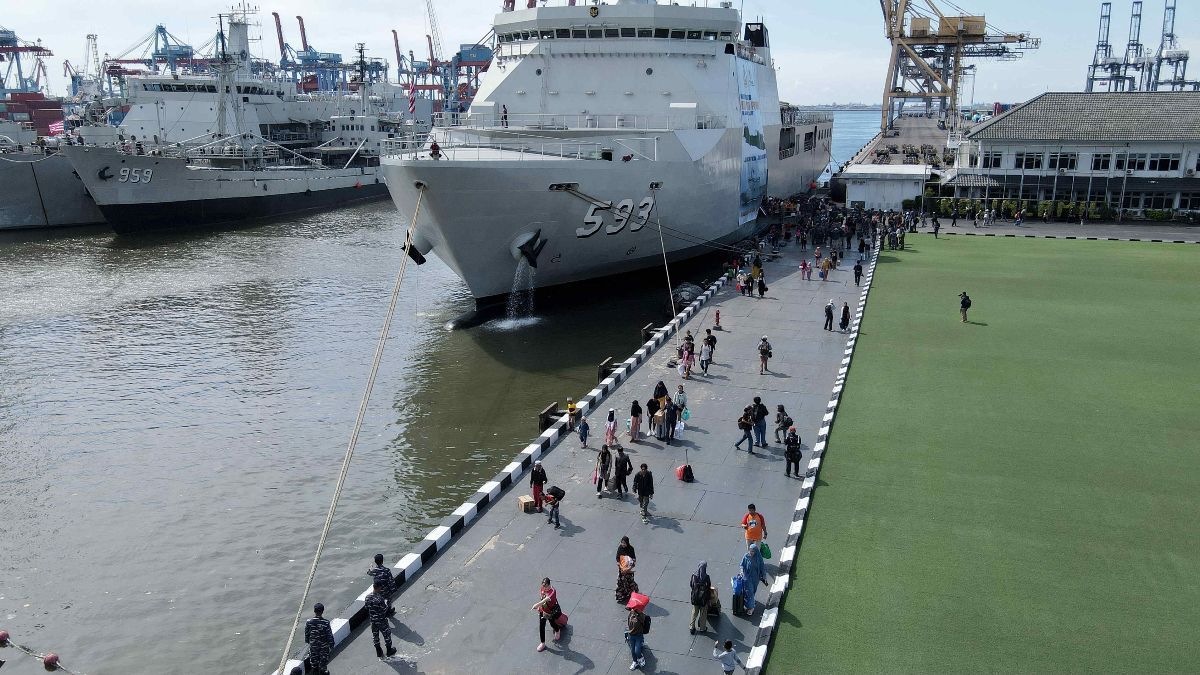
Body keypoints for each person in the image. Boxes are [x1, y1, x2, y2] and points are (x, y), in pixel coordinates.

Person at [366, 580, 397, 659]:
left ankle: (378, 651)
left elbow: (366, 608)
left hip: (373, 621)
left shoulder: (367, 597)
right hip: (381, 621)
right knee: (387, 635)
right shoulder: (380, 599)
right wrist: (386, 603)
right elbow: (384, 610)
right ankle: (389, 651)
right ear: (379, 587)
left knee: (375, 636)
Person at [532, 577, 562, 652]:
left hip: (550, 612)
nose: (544, 589)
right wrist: (540, 608)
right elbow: (542, 598)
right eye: (543, 586)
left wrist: (537, 605)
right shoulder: (542, 588)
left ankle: (557, 630)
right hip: (543, 610)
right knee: (541, 626)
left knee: (552, 624)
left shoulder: (552, 592)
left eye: (546, 587)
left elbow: (545, 600)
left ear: (549, 585)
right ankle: (542, 643)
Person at [304, 602, 334, 675]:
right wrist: (332, 645)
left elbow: (307, 634)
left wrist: (308, 641)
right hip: (323, 647)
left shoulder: (309, 622)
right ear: (322, 611)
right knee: (323, 665)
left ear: (314, 611)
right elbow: (329, 635)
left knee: (314, 666)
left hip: (313, 647)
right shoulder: (326, 622)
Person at [739, 543, 766, 614]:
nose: (751, 552)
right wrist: (741, 571)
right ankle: (751, 608)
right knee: (750, 592)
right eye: (750, 551)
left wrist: (764, 576)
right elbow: (741, 565)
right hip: (747, 577)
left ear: (756, 551)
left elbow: (762, 567)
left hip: (756, 578)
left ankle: (750, 602)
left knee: (753, 591)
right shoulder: (746, 556)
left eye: (753, 551)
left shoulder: (759, 558)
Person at [689, 561, 711, 634]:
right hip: (703, 599)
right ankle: (702, 628)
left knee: (694, 612)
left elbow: (691, 585)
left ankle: (692, 627)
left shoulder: (694, 576)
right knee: (703, 613)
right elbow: (709, 587)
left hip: (695, 598)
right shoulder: (706, 577)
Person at [616, 536, 638, 604]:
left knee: (629, 582)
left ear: (627, 543)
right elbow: (617, 558)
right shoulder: (620, 548)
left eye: (624, 543)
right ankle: (621, 596)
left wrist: (628, 568)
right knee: (621, 583)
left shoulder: (631, 549)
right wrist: (620, 565)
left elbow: (633, 560)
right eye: (622, 543)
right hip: (622, 570)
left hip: (628, 570)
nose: (623, 544)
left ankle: (633, 594)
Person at [625, 604, 648, 670]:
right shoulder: (631, 614)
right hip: (631, 635)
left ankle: (641, 658)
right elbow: (629, 624)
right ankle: (635, 661)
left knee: (637, 651)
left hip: (638, 635)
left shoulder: (641, 616)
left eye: (635, 608)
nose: (633, 609)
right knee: (632, 650)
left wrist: (636, 616)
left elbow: (641, 621)